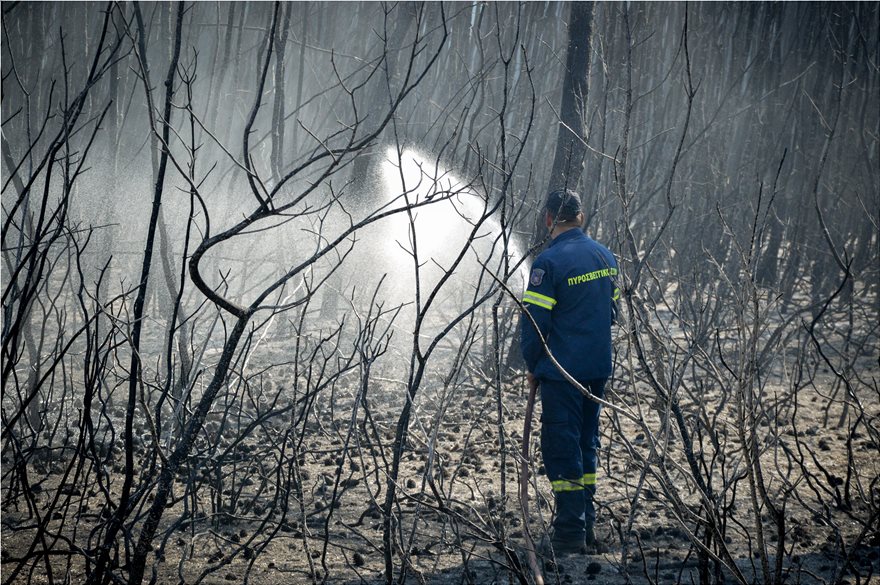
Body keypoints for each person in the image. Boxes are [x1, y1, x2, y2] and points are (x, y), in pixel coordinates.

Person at [520, 189, 618, 555]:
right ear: (581, 216)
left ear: (548, 218)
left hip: (563, 374)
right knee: (586, 444)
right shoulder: (606, 257)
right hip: (596, 371)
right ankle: (587, 526)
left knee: (562, 449)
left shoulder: (549, 263)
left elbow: (534, 325)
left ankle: (568, 534)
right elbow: (612, 313)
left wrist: (535, 367)